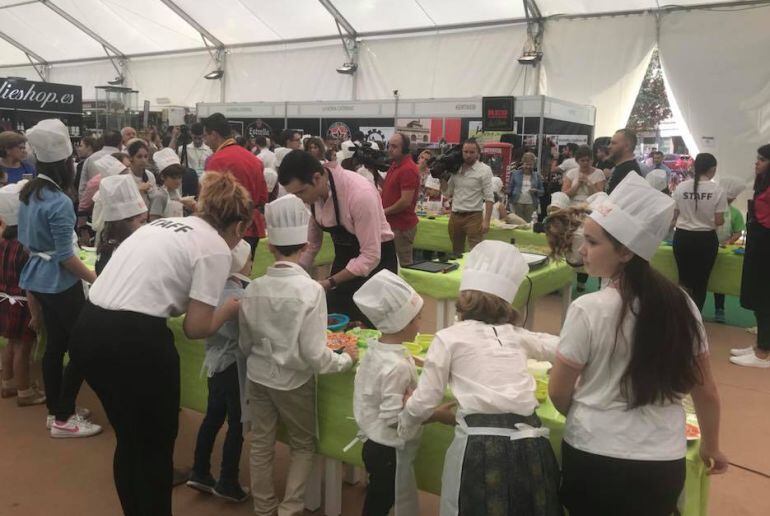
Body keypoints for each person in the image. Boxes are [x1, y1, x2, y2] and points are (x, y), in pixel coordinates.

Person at [548, 173, 728, 515]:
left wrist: (591, 413)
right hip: (661, 459)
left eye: (593, 242)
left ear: (627, 251)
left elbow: (558, 392)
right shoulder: (682, 304)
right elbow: (706, 390)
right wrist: (712, 447)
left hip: (592, 453)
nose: (582, 250)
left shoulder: (588, 309)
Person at [70, 172, 249, 515]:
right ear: (238, 225)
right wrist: (230, 308)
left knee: (130, 440)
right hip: (136, 341)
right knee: (154, 447)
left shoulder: (161, 225)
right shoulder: (214, 248)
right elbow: (197, 328)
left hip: (88, 328)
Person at [399, 240, 562, 515]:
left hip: (480, 448)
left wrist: (403, 422)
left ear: (462, 299)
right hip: (533, 446)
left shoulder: (448, 338)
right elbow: (563, 348)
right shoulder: (517, 335)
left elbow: (425, 401)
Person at [239, 194, 357, 516]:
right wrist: (346, 358)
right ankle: (290, 510)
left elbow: (245, 342)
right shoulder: (311, 291)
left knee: (261, 442)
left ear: (269, 246)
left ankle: (264, 508)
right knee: (303, 445)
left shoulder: (253, 288)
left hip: (258, 376)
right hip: (294, 381)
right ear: (306, 245)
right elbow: (315, 355)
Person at [17, 119, 100, 437]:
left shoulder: (28, 194)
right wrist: (94, 277)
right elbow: (66, 258)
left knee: (56, 345)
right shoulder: (59, 201)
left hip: (38, 279)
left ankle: (57, 411)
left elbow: (27, 243)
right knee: (82, 346)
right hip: (60, 283)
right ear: (67, 164)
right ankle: (64, 416)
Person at [278, 150, 397, 326]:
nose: (300, 199)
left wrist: (329, 282)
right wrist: (293, 273)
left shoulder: (359, 193)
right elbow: (312, 245)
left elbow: (371, 255)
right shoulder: (313, 195)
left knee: (370, 331)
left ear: (317, 178)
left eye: (301, 192)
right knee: (336, 324)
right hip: (345, 260)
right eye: (295, 194)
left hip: (376, 268)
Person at [353, 269, 426, 516]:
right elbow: (393, 418)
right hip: (388, 449)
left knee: (380, 494)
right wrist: (420, 406)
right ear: (403, 323)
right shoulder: (396, 368)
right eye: (418, 318)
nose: (421, 323)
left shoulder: (378, 349)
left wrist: (416, 360)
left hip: (373, 441)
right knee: (380, 501)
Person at [187, 239, 251, 503]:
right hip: (234, 368)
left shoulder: (208, 291)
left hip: (214, 365)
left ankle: (200, 470)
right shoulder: (239, 297)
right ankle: (228, 480)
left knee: (212, 418)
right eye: (249, 259)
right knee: (237, 424)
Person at [0, 180, 45, 406]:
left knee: (10, 343)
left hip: (5, 299)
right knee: (23, 348)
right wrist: (36, 315)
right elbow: (30, 282)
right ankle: (25, 391)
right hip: (23, 302)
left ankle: (7, 384)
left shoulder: (4, 241)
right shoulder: (26, 244)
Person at [204, 113, 268, 256]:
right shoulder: (254, 159)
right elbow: (263, 196)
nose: (206, 142)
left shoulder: (216, 161)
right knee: (245, 273)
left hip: (227, 230)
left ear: (214, 134)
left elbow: (210, 202)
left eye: (206, 136)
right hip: (252, 227)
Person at [672, 153, 726, 311]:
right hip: (706, 240)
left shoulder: (681, 187)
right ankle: (696, 319)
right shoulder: (717, 189)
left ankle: (682, 316)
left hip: (682, 237)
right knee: (701, 282)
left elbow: (674, 216)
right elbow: (719, 221)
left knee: (683, 279)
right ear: (713, 169)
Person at [732, 144, 770, 368]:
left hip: (766, 247)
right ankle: (760, 345)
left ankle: (763, 353)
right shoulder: (762, 184)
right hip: (758, 245)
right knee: (758, 297)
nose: (757, 163)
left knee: (764, 298)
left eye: (763, 159)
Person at [441, 139, 495, 254]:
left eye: (472, 152)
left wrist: (487, 221)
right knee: (456, 251)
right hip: (455, 215)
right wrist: (441, 177)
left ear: (478, 154)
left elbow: (489, 197)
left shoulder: (484, 170)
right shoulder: (456, 169)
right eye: (465, 152)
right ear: (462, 152)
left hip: (474, 216)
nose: (468, 155)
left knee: (476, 252)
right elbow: (447, 192)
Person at [709, 176, 747, 323]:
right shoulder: (709, 207)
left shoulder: (735, 213)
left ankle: (720, 309)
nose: (728, 202)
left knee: (720, 280)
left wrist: (729, 241)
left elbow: (738, 231)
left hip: (723, 249)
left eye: (731, 199)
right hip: (705, 245)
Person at [94, 175, 148, 275]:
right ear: (122, 224)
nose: (145, 227)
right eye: (142, 222)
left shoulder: (110, 244)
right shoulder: (117, 256)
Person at [381, 133, 420, 266]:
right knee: (389, 264)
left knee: (402, 267)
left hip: (401, 227)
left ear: (404, 149)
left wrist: (383, 212)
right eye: (389, 145)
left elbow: (405, 201)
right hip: (392, 225)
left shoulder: (408, 169)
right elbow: (389, 188)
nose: (390, 149)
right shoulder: (395, 165)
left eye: (394, 146)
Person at [149, 148, 195, 221]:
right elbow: (153, 219)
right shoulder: (160, 195)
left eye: (179, 177)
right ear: (163, 177)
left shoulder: (176, 191)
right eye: (174, 178)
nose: (177, 181)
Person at [78, 130, 121, 202]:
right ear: (120, 143)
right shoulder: (125, 159)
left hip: (94, 204)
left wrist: (83, 205)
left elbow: (83, 186)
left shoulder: (91, 159)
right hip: (119, 205)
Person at [508, 151, 544, 221]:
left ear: (533, 165)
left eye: (530, 165)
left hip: (531, 204)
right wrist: (506, 191)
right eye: (526, 164)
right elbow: (510, 188)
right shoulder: (515, 174)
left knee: (529, 224)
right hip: (517, 203)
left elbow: (542, 192)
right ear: (522, 163)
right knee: (518, 223)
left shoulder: (537, 176)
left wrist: (536, 191)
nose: (528, 166)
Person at [606, 129, 642, 193]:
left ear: (627, 146)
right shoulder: (621, 168)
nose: (609, 146)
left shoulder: (631, 172)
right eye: (610, 143)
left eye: (613, 143)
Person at [126, 139, 159, 209]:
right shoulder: (125, 176)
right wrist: (138, 190)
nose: (143, 160)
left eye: (146, 156)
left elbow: (154, 198)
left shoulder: (150, 175)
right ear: (131, 158)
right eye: (139, 157)